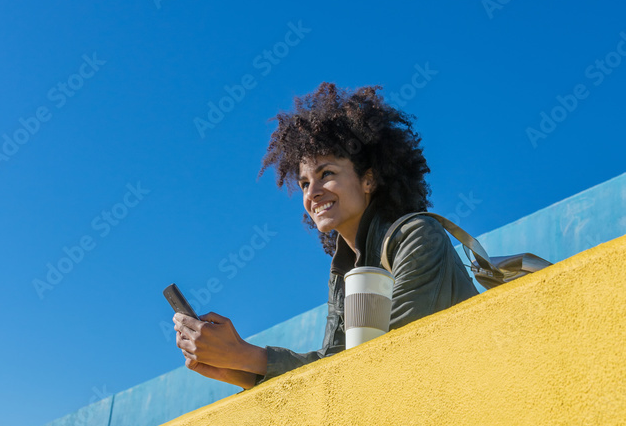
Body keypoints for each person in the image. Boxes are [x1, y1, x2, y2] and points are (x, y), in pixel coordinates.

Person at [173, 81, 477, 390]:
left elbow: (387, 355)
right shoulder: (343, 269)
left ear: (369, 180)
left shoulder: (417, 236)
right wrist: (237, 369)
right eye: (304, 184)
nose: (312, 193)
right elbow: (335, 364)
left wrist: (245, 354)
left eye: (326, 174)